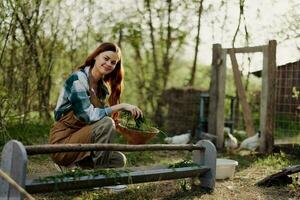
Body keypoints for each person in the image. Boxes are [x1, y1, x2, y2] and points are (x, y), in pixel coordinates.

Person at [49, 42, 143, 170]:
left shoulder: (102, 89)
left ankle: (75, 166)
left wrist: (120, 125)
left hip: (82, 141)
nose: (109, 64)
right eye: (106, 58)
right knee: (107, 123)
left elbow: (98, 121)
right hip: (62, 144)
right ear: (95, 56)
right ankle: (101, 176)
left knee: (119, 160)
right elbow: (88, 116)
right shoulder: (77, 80)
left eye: (113, 62)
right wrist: (121, 106)